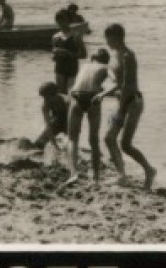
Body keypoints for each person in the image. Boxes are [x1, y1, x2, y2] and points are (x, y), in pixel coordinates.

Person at [102, 23, 157, 190]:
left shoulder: (128, 55)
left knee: (125, 144)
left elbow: (127, 85)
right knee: (109, 138)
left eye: (108, 38)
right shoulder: (117, 55)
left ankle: (149, 170)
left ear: (117, 37)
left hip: (132, 102)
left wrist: (120, 109)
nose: (107, 41)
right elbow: (118, 82)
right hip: (123, 102)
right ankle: (122, 176)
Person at [65, 47, 114, 186]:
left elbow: (79, 83)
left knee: (72, 138)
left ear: (93, 58)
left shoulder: (85, 65)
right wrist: (103, 93)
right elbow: (116, 83)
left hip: (76, 95)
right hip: (93, 98)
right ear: (106, 60)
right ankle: (96, 178)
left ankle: (73, 173)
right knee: (93, 139)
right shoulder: (105, 67)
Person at [51, 7, 87, 95]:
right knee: (60, 94)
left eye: (63, 20)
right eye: (59, 21)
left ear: (69, 21)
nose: (61, 23)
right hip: (59, 68)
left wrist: (68, 54)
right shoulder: (55, 37)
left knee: (72, 94)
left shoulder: (76, 36)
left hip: (72, 68)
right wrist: (55, 55)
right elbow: (54, 58)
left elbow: (84, 55)